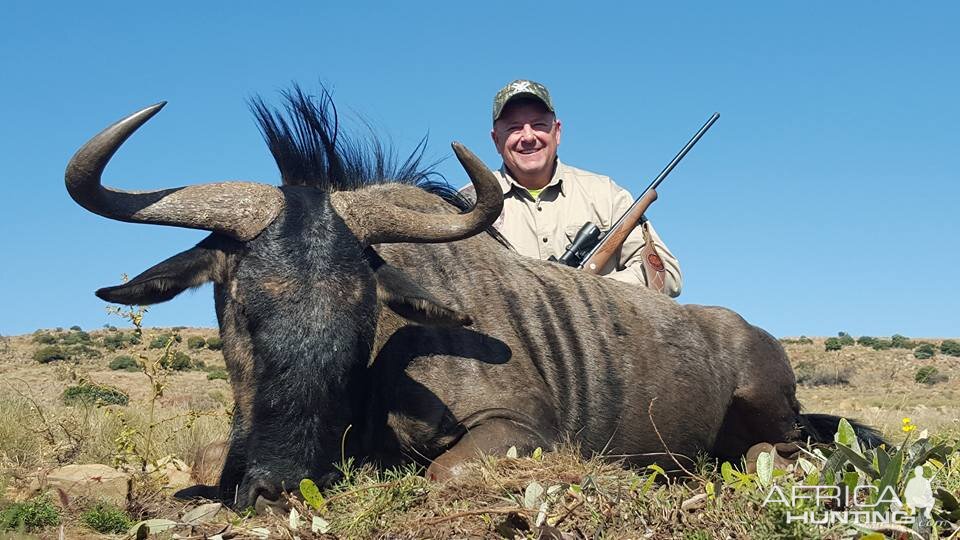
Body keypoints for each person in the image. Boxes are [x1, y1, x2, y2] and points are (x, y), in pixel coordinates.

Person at [472, 79, 682, 296]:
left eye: (539, 125)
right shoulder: (468, 203)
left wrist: (585, 292)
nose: (528, 137)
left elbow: (667, 276)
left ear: (557, 132)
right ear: (496, 140)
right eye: (514, 128)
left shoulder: (605, 194)